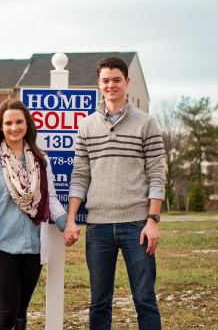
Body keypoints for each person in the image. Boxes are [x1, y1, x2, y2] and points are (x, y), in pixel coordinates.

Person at [64, 57, 166, 329]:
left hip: (137, 225)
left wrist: (153, 220)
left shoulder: (147, 123)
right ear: (99, 84)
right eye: (106, 80)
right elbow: (80, 175)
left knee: (144, 299)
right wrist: (72, 218)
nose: (111, 85)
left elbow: (157, 174)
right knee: (99, 302)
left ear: (127, 82)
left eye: (116, 80)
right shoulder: (86, 126)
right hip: (97, 227)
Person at [0, 98, 67, 330]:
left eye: (19, 122)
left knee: (21, 311)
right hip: (0, 247)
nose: (14, 127)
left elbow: (50, 197)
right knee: (8, 310)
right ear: (0, 127)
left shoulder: (41, 159)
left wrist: (66, 222)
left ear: (27, 124)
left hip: (32, 246)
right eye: (9, 123)